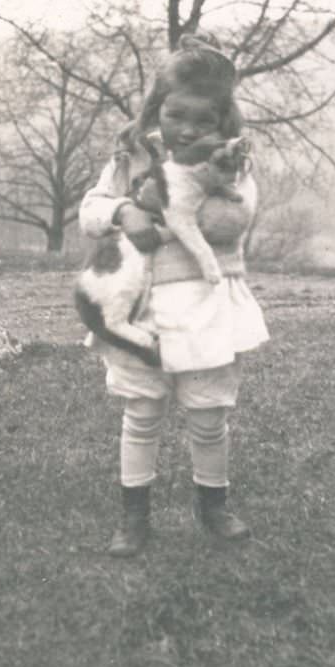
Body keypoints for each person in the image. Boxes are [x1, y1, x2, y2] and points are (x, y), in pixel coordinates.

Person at [78, 31, 269, 557]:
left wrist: (161, 212)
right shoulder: (131, 157)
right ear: (156, 108)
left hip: (205, 305)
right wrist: (123, 211)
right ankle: (133, 515)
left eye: (203, 121)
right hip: (141, 307)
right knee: (141, 412)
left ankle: (213, 506)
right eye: (175, 115)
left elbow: (231, 218)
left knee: (208, 414)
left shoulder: (230, 162)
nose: (187, 130)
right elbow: (91, 210)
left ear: (223, 123)